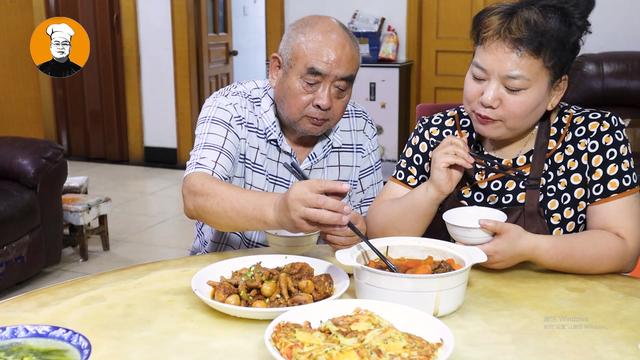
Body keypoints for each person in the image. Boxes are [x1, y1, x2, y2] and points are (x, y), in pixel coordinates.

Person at [366, 0, 640, 274]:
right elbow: (379, 236)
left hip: (548, 307)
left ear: (556, 91)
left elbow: (623, 248)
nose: (486, 98)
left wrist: (531, 248)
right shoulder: (437, 131)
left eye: (513, 88)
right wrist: (432, 191)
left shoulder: (594, 136)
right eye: (478, 76)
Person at [182, 16, 383, 254]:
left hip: (318, 279)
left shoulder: (359, 127)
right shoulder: (232, 106)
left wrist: (356, 233)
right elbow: (196, 196)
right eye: (311, 82)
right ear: (276, 70)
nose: (324, 101)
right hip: (227, 275)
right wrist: (279, 210)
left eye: (341, 89)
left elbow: (371, 221)